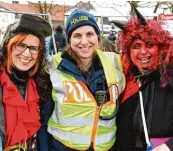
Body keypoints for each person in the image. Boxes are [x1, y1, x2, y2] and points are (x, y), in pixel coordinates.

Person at [38, 9, 125, 151]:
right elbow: (43, 117)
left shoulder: (116, 63)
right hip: (62, 147)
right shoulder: (53, 66)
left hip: (105, 148)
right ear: (69, 40)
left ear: (98, 37)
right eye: (77, 35)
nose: (84, 41)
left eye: (90, 34)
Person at [112, 7, 173, 151]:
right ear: (128, 51)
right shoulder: (124, 79)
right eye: (136, 46)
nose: (143, 52)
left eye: (150, 45)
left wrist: (170, 146)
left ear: (160, 47)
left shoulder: (169, 78)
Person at [0, 14, 52, 150]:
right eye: (21, 45)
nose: (27, 54)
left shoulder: (41, 85)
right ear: (8, 47)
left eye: (33, 48)